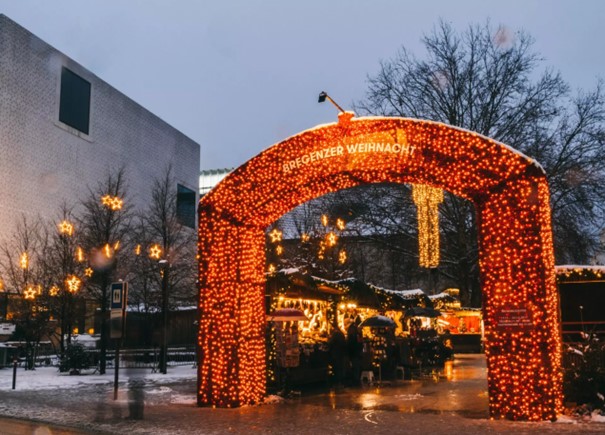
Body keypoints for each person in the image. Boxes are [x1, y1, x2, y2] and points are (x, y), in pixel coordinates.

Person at [328, 322, 347, 389]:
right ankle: (341, 382)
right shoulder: (341, 333)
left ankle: (338, 383)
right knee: (340, 368)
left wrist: (329, 341)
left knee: (336, 368)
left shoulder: (335, 334)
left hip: (336, 354)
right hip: (341, 353)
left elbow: (330, 343)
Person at [347, 316, 363, 386]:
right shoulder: (354, 331)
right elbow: (356, 342)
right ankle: (355, 380)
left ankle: (355, 380)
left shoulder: (353, 330)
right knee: (355, 366)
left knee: (356, 366)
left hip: (354, 352)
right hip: (355, 352)